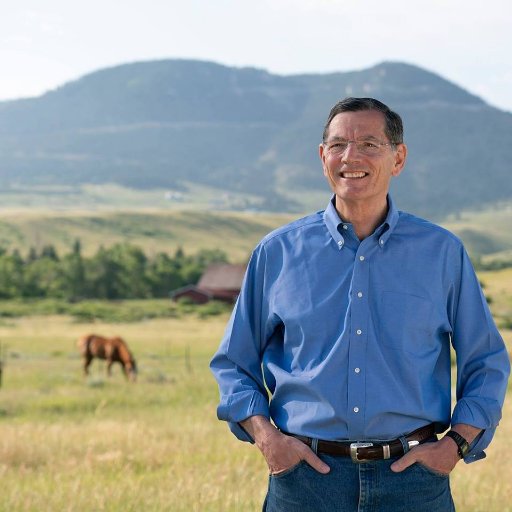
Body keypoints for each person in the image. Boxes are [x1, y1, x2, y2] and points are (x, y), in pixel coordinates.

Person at [210, 97, 510, 511]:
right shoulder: (277, 253)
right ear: (322, 157)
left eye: (369, 144)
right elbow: (232, 364)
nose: (351, 157)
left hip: (414, 484)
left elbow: (487, 361)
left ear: (398, 158)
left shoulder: (442, 253)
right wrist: (268, 439)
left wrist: (455, 445)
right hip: (306, 483)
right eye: (338, 145)